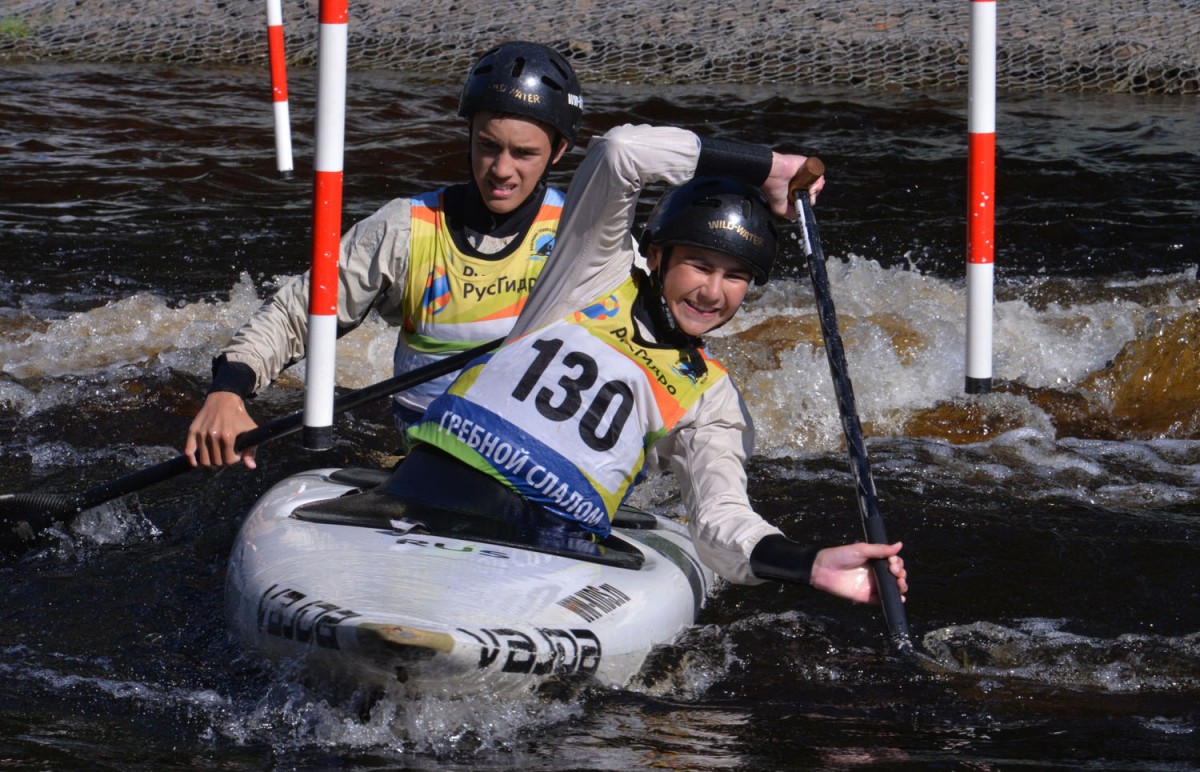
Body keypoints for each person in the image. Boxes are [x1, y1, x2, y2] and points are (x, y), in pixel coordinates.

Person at [379, 123, 907, 601]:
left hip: (544, 544)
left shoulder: (711, 399)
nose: (713, 292)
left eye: (735, 275)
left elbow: (720, 520)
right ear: (655, 255)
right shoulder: (590, 274)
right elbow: (620, 151)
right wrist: (768, 167)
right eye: (699, 264)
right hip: (422, 493)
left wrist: (811, 564)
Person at [184, 41, 584, 469]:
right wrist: (227, 389)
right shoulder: (405, 228)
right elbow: (294, 315)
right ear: (469, 132)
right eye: (488, 145)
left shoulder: (582, 236)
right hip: (424, 463)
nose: (501, 170)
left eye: (523, 153)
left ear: (558, 150)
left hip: (542, 468)